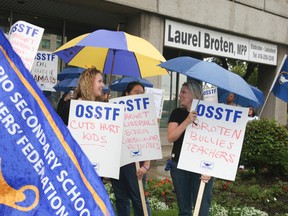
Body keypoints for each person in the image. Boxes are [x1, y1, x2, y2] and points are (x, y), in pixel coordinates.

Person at [167, 81, 213, 216]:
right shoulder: (177, 113)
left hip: (201, 167)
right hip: (179, 166)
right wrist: (187, 121)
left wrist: (211, 169)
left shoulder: (209, 114)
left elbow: (215, 143)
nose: (180, 95)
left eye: (184, 92)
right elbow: (171, 137)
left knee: (202, 208)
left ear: (194, 95)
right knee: (184, 209)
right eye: (180, 92)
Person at [111, 81, 152, 216]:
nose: (140, 95)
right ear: (127, 94)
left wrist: (146, 164)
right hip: (118, 162)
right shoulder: (115, 110)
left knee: (138, 198)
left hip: (135, 163)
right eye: (136, 92)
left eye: (142, 93)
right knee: (121, 198)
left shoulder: (146, 113)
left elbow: (150, 141)